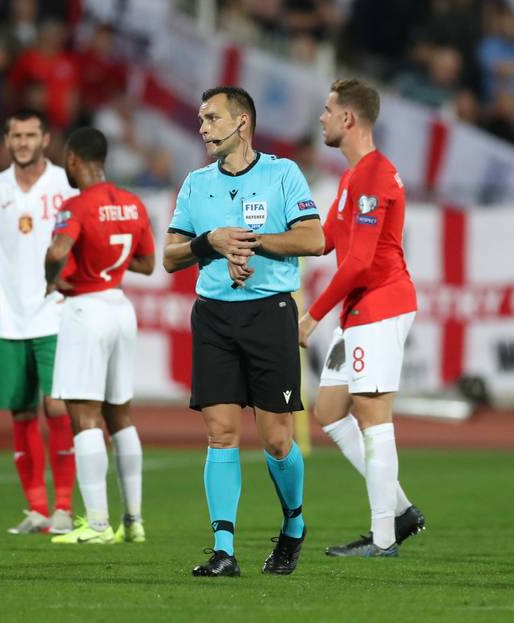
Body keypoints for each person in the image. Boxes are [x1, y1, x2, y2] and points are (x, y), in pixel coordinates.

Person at [163, 86, 324, 577]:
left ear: (242, 123)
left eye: (212, 118)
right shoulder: (195, 184)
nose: (203, 127)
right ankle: (223, 550)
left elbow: (314, 239)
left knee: (276, 440)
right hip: (213, 316)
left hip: (270, 313)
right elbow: (169, 257)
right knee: (220, 433)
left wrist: (251, 244)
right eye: (200, 119)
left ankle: (293, 525)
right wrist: (209, 242)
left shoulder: (282, 174)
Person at [298, 79, 424, 557]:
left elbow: (359, 264)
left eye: (328, 110)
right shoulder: (353, 177)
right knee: (330, 411)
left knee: (372, 413)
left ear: (349, 118)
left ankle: (384, 537)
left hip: (380, 306)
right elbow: (325, 239)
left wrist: (312, 315)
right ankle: (401, 510)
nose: (322, 118)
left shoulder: (374, 177)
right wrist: (268, 239)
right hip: (360, 311)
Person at [0, 109, 78, 535]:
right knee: (22, 412)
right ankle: (36, 509)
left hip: (55, 314)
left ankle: (63, 507)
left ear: (46, 139)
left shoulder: (67, 183)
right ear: (7, 140)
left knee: (58, 406)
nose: (24, 142)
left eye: (31, 135)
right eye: (17, 135)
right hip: (9, 318)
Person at [46, 127, 155, 545]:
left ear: (74, 159)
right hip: (119, 307)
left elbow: (58, 251)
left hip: (86, 310)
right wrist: (109, 263)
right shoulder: (132, 202)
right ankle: (134, 521)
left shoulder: (76, 204)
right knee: (120, 416)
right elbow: (147, 264)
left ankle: (95, 525)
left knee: (83, 414)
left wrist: (48, 279)